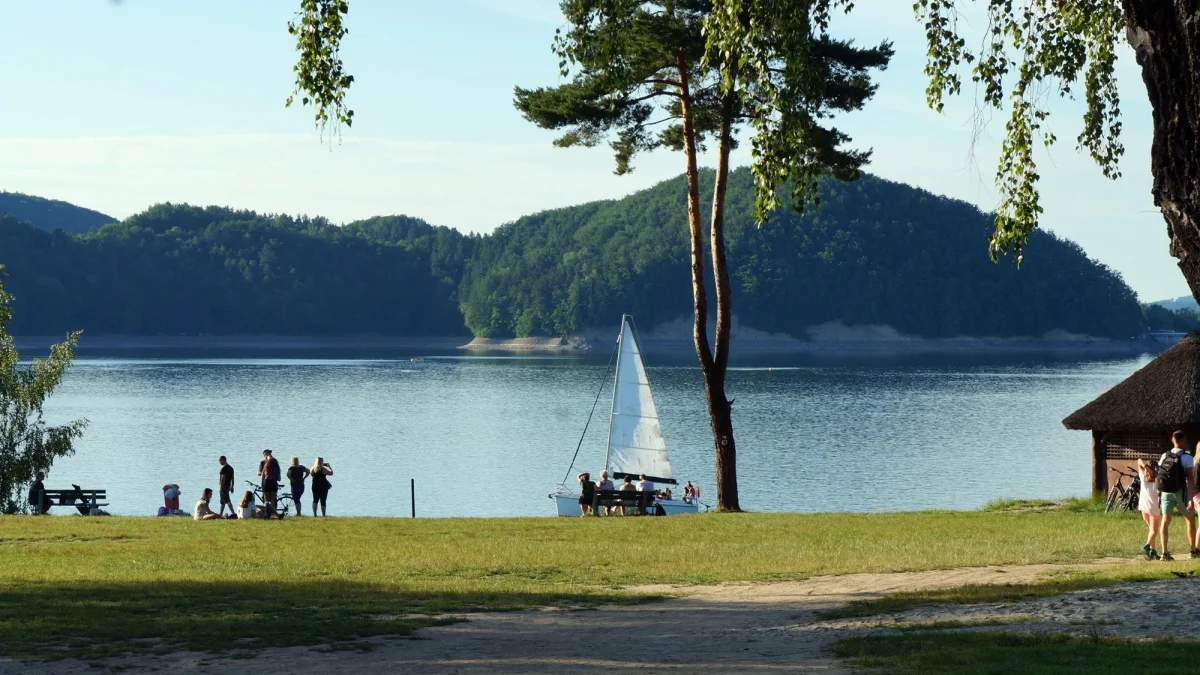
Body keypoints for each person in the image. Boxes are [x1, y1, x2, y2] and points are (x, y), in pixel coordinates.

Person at [1158, 430, 1198, 561]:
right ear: (1180, 441)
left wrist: (1159, 493)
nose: (1187, 442)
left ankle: (1164, 553)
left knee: (1165, 520)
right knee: (1190, 519)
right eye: (1185, 440)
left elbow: (1160, 475)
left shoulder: (1164, 455)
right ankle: (1193, 550)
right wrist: (1191, 499)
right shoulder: (1186, 458)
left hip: (1165, 493)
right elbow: (1190, 479)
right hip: (1180, 493)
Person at [1138, 459, 1161, 560]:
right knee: (1154, 531)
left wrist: (1145, 467)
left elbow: (1138, 460)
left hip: (1144, 508)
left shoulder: (1143, 477)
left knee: (1151, 531)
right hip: (1154, 510)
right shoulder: (1158, 482)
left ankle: (1153, 551)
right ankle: (1146, 546)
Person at [258, 449, 281, 517]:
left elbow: (262, 476)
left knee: (266, 500)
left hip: (266, 482)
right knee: (273, 500)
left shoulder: (265, 466)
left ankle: (267, 514)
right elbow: (279, 478)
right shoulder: (276, 465)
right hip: (273, 482)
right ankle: (274, 514)